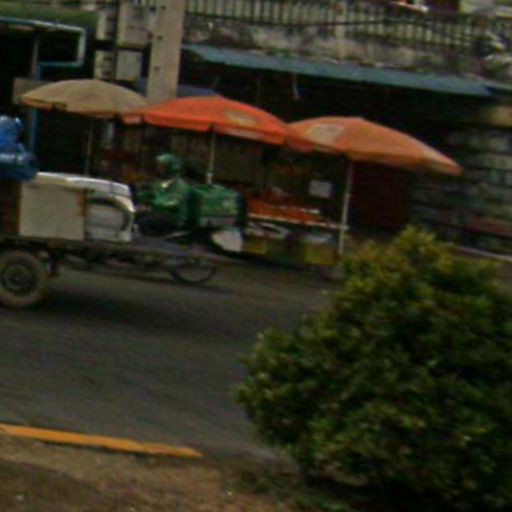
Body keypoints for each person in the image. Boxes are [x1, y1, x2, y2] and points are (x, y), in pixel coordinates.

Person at [136, 153, 192, 237]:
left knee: (145, 222)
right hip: (158, 213)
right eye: (159, 166)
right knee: (134, 215)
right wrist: (142, 196)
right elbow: (152, 194)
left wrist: (153, 203)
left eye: (162, 167)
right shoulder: (159, 183)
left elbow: (173, 203)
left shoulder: (180, 186)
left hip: (173, 217)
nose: (159, 169)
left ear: (171, 168)